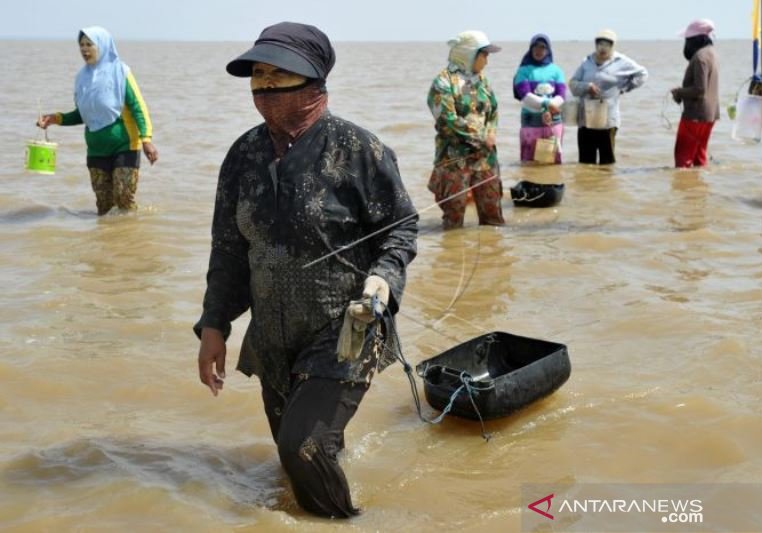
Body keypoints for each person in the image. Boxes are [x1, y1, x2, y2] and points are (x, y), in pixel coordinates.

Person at [194, 22, 418, 519]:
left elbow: (401, 229)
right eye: (258, 74)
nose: (266, 85)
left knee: (305, 447)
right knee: (291, 453)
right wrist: (214, 327)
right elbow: (228, 251)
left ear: (315, 79)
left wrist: (384, 277)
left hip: (345, 330)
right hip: (273, 338)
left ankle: (346, 525)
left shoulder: (360, 150)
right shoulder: (242, 156)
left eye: (279, 73)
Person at [37, 26, 158, 215]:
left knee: (124, 197)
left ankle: (132, 237)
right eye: (81, 45)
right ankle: (106, 242)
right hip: (96, 149)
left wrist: (146, 139)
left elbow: (138, 107)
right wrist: (56, 119)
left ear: (102, 45)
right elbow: (84, 114)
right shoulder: (81, 78)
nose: (84, 49)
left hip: (125, 145)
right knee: (104, 206)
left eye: (89, 44)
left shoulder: (121, 72)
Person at [427, 30, 505, 230]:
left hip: (485, 159)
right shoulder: (443, 82)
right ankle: (452, 259)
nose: (487, 61)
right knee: (453, 219)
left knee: (493, 216)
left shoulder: (482, 81)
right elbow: (447, 120)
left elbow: (493, 109)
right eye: (484, 55)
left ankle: (494, 257)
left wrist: (491, 131)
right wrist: (481, 137)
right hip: (454, 161)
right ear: (470, 53)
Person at [569, 29, 647, 165]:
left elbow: (642, 74)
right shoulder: (586, 62)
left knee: (607, 163)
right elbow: (573, 84)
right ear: (595, 44)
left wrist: (624, 88)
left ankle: (607, 186)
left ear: (613, 45)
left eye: (607, 45)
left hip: (607, 121)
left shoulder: (621, 61)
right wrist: (587, 86)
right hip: (586, 120)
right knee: (585, 164)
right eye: (600, 44)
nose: (603, 48)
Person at [671, 19, 720, 168]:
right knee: (699, 156)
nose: (686, 43)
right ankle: (698, 189)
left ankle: (684, 189)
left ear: (696, 39)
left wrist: (679, 92)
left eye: (688, 39)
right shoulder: (712, 53)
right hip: (709, 115)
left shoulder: (700, 57)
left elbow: (700, 89)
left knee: (683, 157)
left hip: (695, 116)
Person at [513, 33, 568, 163]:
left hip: (553, 124)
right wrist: (547, 105)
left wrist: (549, 106)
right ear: (531, 49)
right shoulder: (523, 71)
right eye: (535, 47)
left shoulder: (556, 71)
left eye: (542, 47)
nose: (539, 51)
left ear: (548, 49)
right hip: (531, 124)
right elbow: (525, 95)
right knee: (529, 164)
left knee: (552, 164)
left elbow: (561, 95)